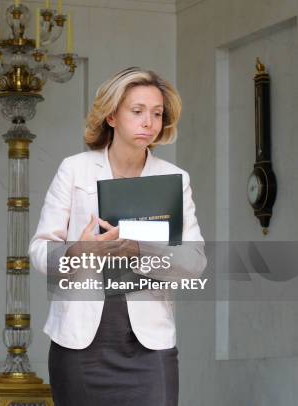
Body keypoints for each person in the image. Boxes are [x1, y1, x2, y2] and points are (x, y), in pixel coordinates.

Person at [29, 67, 207, 406]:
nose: (149, 122)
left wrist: (138, 249)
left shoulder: (174, 178)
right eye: (137, 111)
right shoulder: (74, 169)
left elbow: (194, 262)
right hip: (79, 343)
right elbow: (39, 251)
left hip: (150, 345)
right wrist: (80, 250)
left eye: (157, 114)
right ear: (111, 115)